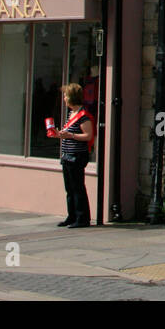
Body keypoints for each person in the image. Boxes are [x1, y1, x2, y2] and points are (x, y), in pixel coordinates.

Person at [48, 83, 95, 228]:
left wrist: (71, 135)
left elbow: (88, 135)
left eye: (66, 96)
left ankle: (82, 218)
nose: (64, 98)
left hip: (77, 155)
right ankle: (72, 215)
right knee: (69, 188)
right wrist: (59, 135)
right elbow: (69, 135)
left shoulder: (83, 116)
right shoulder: (71, 114)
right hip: (67, 155)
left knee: (77, 187)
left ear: (72, 97)